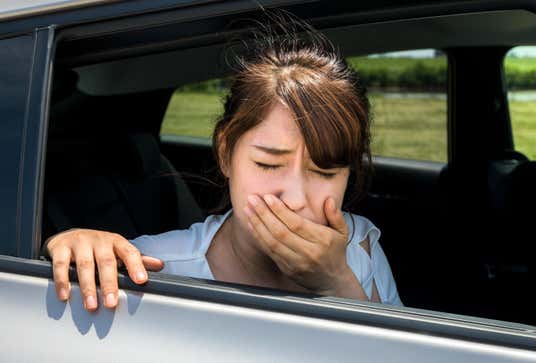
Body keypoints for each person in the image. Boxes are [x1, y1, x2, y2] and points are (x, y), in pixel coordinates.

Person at [45, 19, 402, 311]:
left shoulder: (360, 249)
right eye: (267, 164)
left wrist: (337, 281)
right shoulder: (153, 267)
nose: (295, 198)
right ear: (225, 152)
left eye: (325, 172)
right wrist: (71, 244)